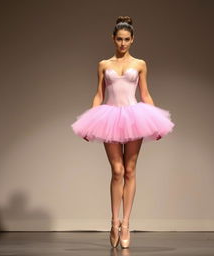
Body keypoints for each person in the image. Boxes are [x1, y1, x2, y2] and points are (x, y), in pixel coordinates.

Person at [71, 15, 175, 248]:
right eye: (119, 39)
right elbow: (99, 93)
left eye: (127, 39)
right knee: (116, 171)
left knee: (129, 170)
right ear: (113, 39)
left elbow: (145, 94)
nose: (123, 43)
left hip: (134, 116)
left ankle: (126, 223)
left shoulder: (140, 64)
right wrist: (89, 120)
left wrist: (156, 121)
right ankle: (113, 220)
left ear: (133, 39)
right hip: (109, 116)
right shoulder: (103, 65)